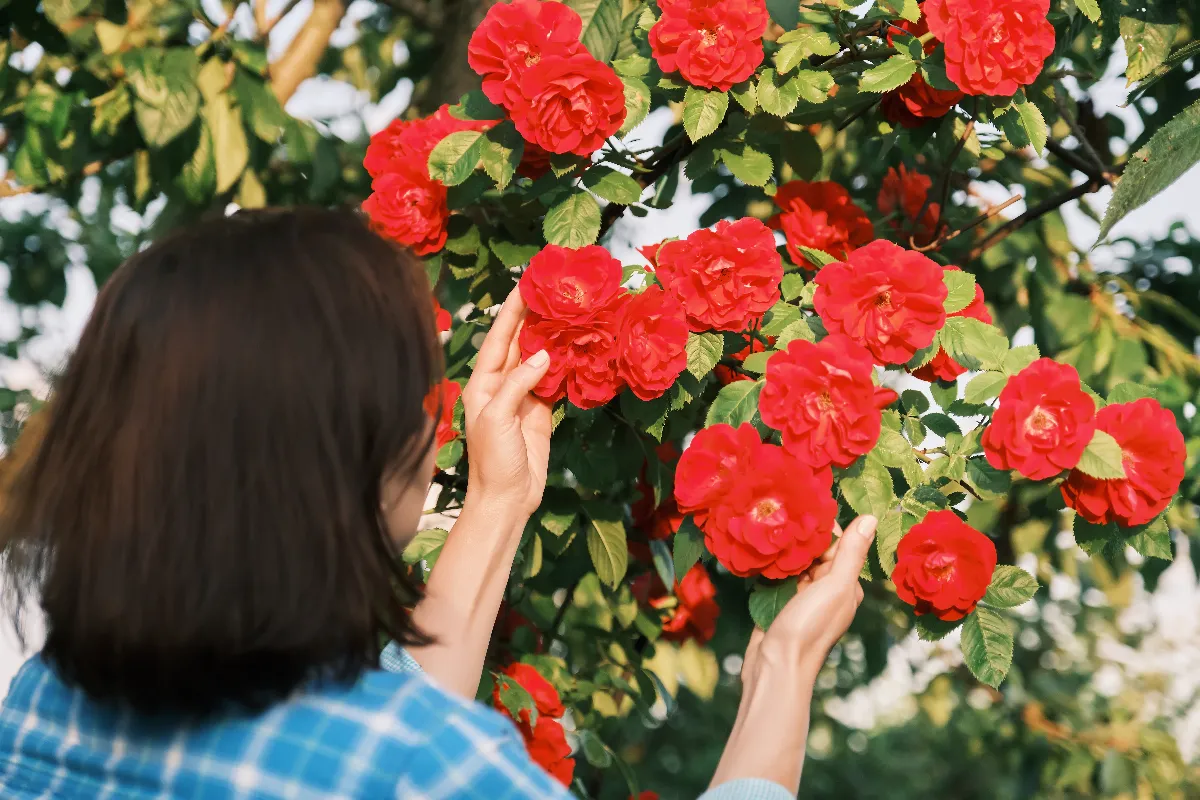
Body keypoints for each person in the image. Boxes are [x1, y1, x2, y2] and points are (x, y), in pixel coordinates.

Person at [0, 207, 877, 799]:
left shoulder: (44, 705)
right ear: (336, 460)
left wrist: (500, 499)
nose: (432, 430)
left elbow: (366, 726)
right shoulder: (433, 768)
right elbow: (396, 754)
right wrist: (783, 668)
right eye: (417, 404)